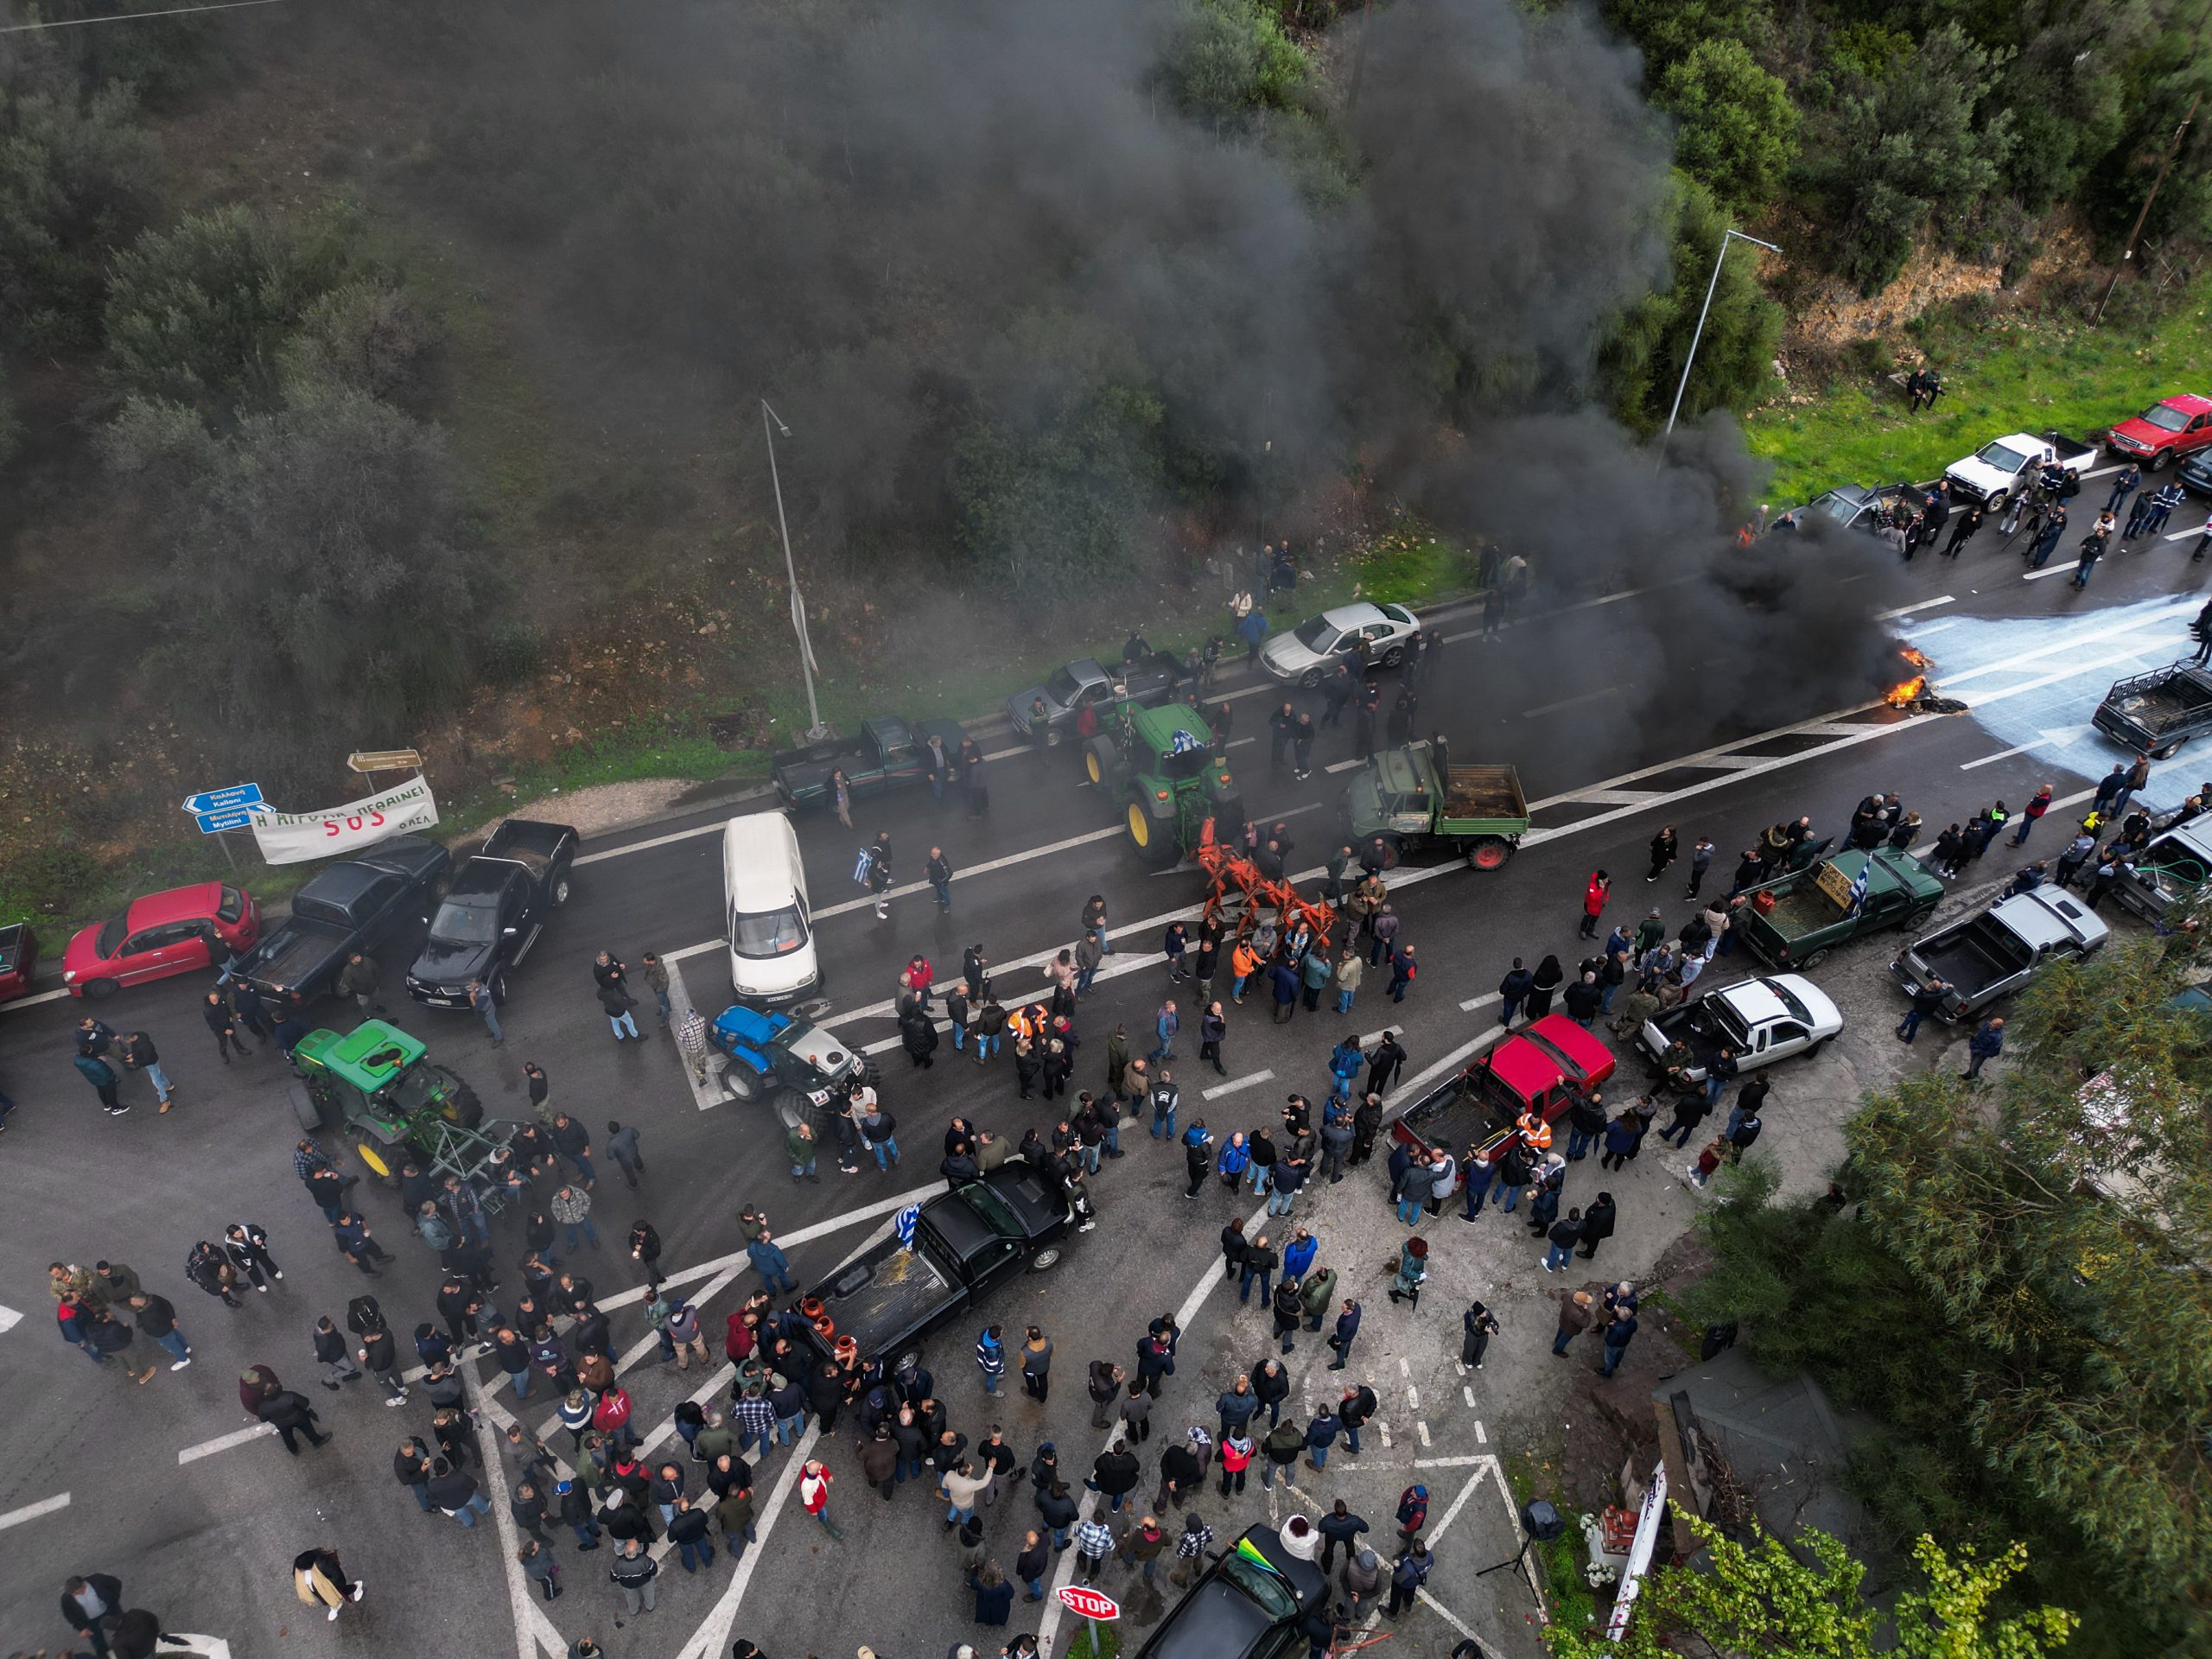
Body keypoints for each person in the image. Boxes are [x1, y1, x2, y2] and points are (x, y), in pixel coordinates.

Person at [293, 1546, 365, 1623]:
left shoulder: (322, 1563)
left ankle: (357, 1586)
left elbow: (336, 1575)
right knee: (326, 1599)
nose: (299, 1571)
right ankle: (334, 1605)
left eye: (301, 1569)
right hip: (319, 1589)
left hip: (332, 1586)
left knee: (342, 1593)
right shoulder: (300, 1564)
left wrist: (333, 1589)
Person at [1963, 1015, 2005, 1081]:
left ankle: (1974, 1080)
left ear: (1998, 1027)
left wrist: (1981, 1053)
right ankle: (1969, 1074)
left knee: (1975, 1067)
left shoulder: (1997, 1038)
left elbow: (1994, 1052)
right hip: (1974, 1048)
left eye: (1993, 1024)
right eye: (1992, 1022)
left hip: (1981, 1054)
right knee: (1972, 1063)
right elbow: (1980, 1034)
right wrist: (1973, 1041)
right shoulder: (1987, 1025)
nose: (1991, 1024)